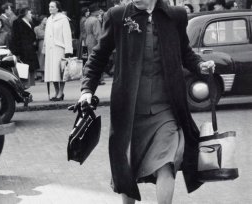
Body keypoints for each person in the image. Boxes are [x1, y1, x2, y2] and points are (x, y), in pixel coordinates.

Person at [76, 0, 216, 203]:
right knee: (127, 168)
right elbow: (98, 55)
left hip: (166, 107)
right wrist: (87, 89)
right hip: (129, 110)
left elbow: (185, 52)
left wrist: (200, 66)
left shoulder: (174, 16)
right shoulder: (117, 16)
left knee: (167, 163)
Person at [43, 1, 73, 101]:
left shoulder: (63, 19)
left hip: (59, 48)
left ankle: (61, 92)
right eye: (49, 6)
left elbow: (67, 35)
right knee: (52, 72)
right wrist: (44, 48)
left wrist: (68, 50)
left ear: (57, 8)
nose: (50, 8)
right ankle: (56, 92)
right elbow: (46, 36)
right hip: (50, 49)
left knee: (61, 71)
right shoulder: (49, 20)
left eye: (52, 7)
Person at [12, 7, 40, 88]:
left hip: (30, 49)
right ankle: (23, 87)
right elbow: (15, 37)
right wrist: (16, 52)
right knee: (23, 70)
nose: (31, 15)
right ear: (25, 14)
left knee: (29, 69)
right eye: (30, 13)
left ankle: (27, 86)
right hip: (22, 50)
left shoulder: (31, 22)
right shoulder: (17, 22)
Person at [85, 4, 105, 85]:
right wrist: (101, 42)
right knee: (98, 59)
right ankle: (99, 78)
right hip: (94, 41)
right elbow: (97, 33)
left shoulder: (88, 19)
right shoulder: (95, 20)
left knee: (91, 59)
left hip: (88, 39)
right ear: (95, 11)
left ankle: (91, 78)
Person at [34, 15, 47, 81]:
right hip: (41, 44)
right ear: (41, 20)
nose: (46, 21)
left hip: (47, 43)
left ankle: (45, 76)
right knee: (41, 59)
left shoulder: (48, 27)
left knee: (46, 59)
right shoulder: (37, 28)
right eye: (45, 19)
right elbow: (38, 35)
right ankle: (41, 76)